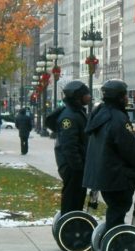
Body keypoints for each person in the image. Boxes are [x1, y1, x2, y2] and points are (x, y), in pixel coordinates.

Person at [83, 79, 135, 231]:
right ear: (119, 97)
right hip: (116, 176)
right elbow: (129, 148)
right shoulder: (119, 119)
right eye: (125, 95)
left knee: (115, 209)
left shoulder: (99, 113)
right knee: (119, 208)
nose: (127, 99)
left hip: (102, 174)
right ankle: (114, 242)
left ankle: (110, 237)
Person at [47, 80, 91, 215]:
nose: (89, 96)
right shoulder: (69, 117)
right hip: (72, 167)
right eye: (86, 93)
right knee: (71, 201)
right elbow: (69, 146)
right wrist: (78, 167)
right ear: (77, 96)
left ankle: (74, 223)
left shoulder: (76, 112)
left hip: (77, 167)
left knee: (77, 200)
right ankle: (69, 226)